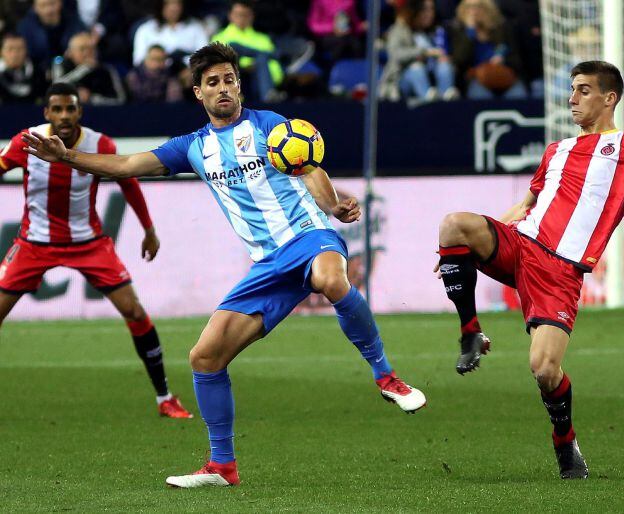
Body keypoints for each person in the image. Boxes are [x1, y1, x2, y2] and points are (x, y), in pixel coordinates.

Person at [22, 42, 427, 488]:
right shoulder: (192, 148)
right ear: (198, 93)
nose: (223, 89)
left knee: (333, 279)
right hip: (266, 264)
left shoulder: (271, 126)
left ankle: (386, 376)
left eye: (229, 80)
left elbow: (309, 166)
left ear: (239, 85)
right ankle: (222, 466)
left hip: (310, 237)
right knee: (204, 357)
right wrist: (66, 156)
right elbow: (124, 164)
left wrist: (331, 206)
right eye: (213, 82)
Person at [435, 59, 624, 479]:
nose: (570, 98)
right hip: (521, 245)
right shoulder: (555, 150)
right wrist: (461, 249)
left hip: (560, 271)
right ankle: (470, 333)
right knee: (454, 223)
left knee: (544, 369)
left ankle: (565, 442)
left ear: (609, 97)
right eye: (572, 89)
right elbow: (526, 206)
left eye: (582, 90)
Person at [0, 82, 193, 420]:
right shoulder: (27, 142)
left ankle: (165, 397)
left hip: (88, 243)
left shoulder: (99, 144)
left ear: (79, 111)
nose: (63, 115)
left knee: (134, 311)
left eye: (70, 108)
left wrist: (149, 230)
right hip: (33, 244)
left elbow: (128, 183)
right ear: (46, 113)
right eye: (56, 109)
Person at [211, 0, 284, 102]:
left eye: (245, 15)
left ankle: (268, 95)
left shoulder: (263, 39)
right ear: (230, 15)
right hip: (231, 79)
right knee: (232, 48)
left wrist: (273, 79)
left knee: (261, 59)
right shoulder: (219, 38)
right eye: (238, 15)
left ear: (252, 16)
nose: (242, 19)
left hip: (258, 80)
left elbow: (275, 67)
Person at [52, 32, 126, 105]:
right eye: (82, 49)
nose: (88, 52)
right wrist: (84, 69)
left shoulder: (106, 70)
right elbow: (56, 88)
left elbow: (120, 100)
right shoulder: (61, 65)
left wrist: (91, 99)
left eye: (92, 48)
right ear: (70, 53)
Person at [16, 0, 86, 70]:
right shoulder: (25, 28)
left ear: (60, 3)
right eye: (43, 5)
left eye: (52, 4)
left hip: (73, 68)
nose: (48, 10)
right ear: (35, 7)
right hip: (37, 72)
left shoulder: (74, 22)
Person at [0, 32, 47, 104]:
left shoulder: (38, 72)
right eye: (10, 49)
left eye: (20, 49)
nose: (15, 53)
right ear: (1, 52)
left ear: (26, 50)